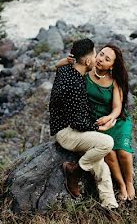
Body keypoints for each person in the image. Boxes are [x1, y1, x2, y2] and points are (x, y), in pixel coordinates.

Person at [57, 44, 135, 202]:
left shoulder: (114, 81)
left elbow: (117, 108)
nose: (101, 59)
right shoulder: (86, 70)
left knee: (124, 152)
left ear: (112, 65)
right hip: (95, 121)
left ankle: (129, 183)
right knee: (110, 153)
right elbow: (57, 68)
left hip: (116, 121)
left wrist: (110, 118)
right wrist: (67, 60)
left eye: (107, 59)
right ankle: (120, 185)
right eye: (100, 54)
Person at [49, 38, 119, 213]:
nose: (97, 58)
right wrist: (100, 128)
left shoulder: (65, 70)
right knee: (106, 143)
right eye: (96, 55)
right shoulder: (75, 85)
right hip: (66, 133)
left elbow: (57, 66)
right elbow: (78, 123)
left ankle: (110, 205)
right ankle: (74, 171)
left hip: (71, 129)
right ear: (88, 61)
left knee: (100, 163)